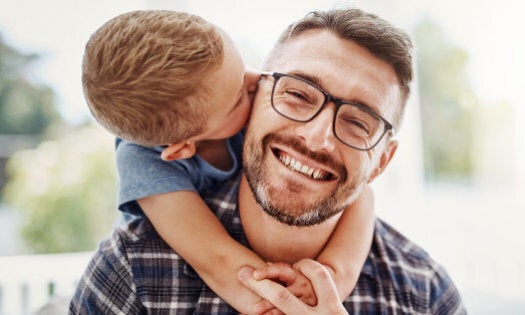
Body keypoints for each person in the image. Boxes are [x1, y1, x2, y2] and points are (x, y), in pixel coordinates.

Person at [70, 7, 467, 314]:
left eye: (359, 122)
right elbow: (213, 257)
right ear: (262, 99)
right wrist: (264, 296)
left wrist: (333, 277)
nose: (318, 136)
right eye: (298, 94)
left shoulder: (427, 295)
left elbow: (363, 197)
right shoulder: (133, 267)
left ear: (382, 162)